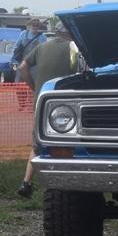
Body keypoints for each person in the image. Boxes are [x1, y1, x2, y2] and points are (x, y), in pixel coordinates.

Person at [17, 21, 75, 198]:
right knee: (70, 145)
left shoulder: (42, 47)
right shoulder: (73, 48)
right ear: (69, 33)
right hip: (67, 106)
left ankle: (26, 183)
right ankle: (65, 184)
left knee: (38, 143)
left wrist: (35, 88)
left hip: (41, 102)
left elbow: (22, 67)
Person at [10, 19, 48, 109]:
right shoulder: (23, 34)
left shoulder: (42, 37)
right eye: (33, 25)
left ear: (39, 27)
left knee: (33, 84)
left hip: (34, 64)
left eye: (37, 26)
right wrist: (11, 59)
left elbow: (45, 50)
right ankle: (22, 103)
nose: (35, 27)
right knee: (19, 84)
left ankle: (31, 104)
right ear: (30, 26)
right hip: (22, 63)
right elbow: (16, 47)